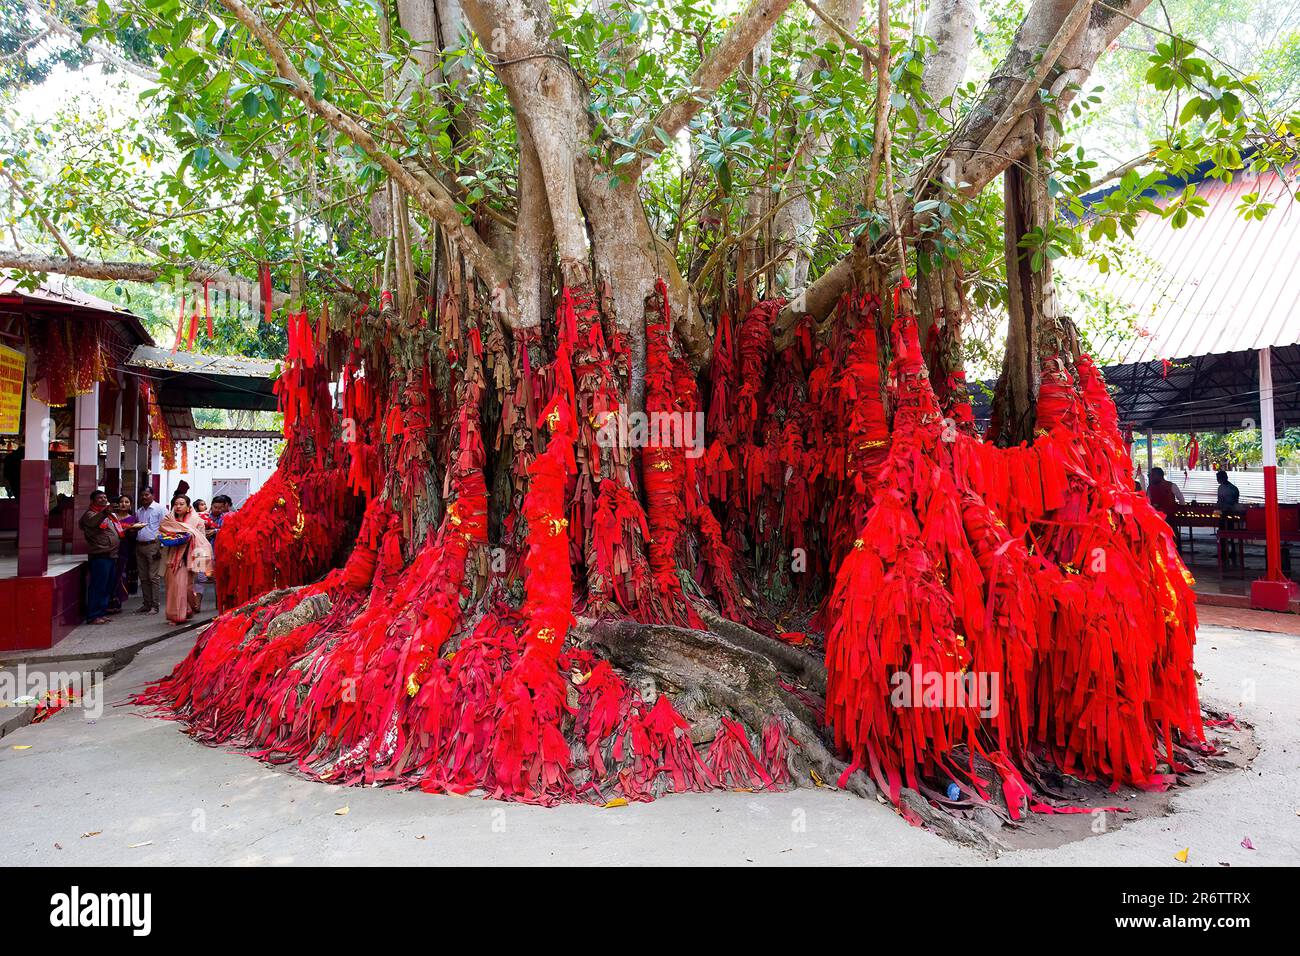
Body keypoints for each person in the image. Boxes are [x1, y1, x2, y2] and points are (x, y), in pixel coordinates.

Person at [160, 493, 213, 625]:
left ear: (188, 506)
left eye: (181, 504)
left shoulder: (198, 521)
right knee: (175, 586)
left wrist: (201, 564)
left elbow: (202, 540)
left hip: (191, 556)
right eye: (176, 504)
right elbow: (162, 532)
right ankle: (177, 615)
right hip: (172, 557)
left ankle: (188, 608)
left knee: (187, 587)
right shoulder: (168, 519)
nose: (178, 507)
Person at [78, 489, 119, 625]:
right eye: (100, 498)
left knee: (107, 586)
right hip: (100, 556)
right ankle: (93, 615)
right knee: (98, 586)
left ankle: (101, 612)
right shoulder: (90, 515)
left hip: (111, 555)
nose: (103, 499)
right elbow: (93, 522)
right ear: (92, 501)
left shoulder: (107, 515)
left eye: (105, 497)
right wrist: (105, 511)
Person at [132, 488, 168, 614]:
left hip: (154, 545)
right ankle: (146, 604)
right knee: (143, 577)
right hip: (140, 545)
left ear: (152, 495)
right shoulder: (139, 511)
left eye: (146, 494)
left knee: (153, 577)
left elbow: (166, 527)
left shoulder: (160, 509)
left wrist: (161, 547)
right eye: (142, 495)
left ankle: (155, 605)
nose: (144, 497)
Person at [107, 494, 134, 612]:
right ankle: (108, 602)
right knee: (110, 576)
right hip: (110, 549)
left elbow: (134, 537)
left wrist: (131, 531)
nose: (123, 504)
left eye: (127, 502)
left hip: (124, 550)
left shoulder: (133, 519)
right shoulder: (111, 517)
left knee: (120, 576)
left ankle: (117, 602)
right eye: (121, 502)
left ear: (130, 505)